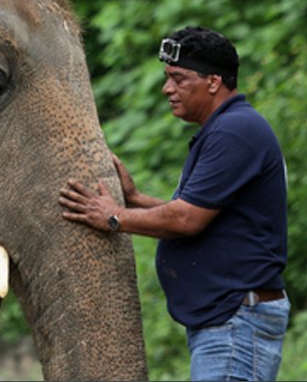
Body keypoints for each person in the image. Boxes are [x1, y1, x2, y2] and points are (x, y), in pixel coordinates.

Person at [59, 26, 289, 381]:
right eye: (167, 78)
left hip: (235, 321)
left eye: (178, 79)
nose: (167, 89)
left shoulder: (234, 131)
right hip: (229, 319)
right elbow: (205, 214)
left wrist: (115, 217)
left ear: (213, 82)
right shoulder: (226, 129)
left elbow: (185, 220)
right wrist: (135, 201)